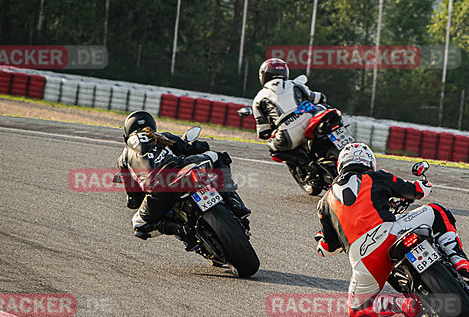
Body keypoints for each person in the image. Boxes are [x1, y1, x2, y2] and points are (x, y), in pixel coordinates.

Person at [315, 142, 469, 317]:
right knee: (436, 211)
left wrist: (321, 244)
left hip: (365, 259)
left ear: (341, 164)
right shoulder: (377, 176)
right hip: (391, 233)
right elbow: (418, 191)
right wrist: (424, 183)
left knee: (357, 310)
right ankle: (459, 259)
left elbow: (328, 248)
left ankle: (401, 303)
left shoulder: (324, 203)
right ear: (369, 162)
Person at [117, 110, 251, 239]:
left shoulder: (123, 159)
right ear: (152, 125)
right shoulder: (160, 136)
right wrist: (198, 144)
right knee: (218, 156)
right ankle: (233, 200)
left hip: (158, 189)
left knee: (138, 225)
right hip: (180, 170)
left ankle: (179, 228)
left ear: (127, 134)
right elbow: (193, 149)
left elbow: (134, 200)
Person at [252, 58, 326, 155]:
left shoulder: (258, 98)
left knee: (272, 148)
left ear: (264, 75)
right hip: (310, 123)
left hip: (288, 136)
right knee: (322, 109)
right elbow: (319, 98)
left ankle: (306, 165)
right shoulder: (295, 84)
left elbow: (263, 132)